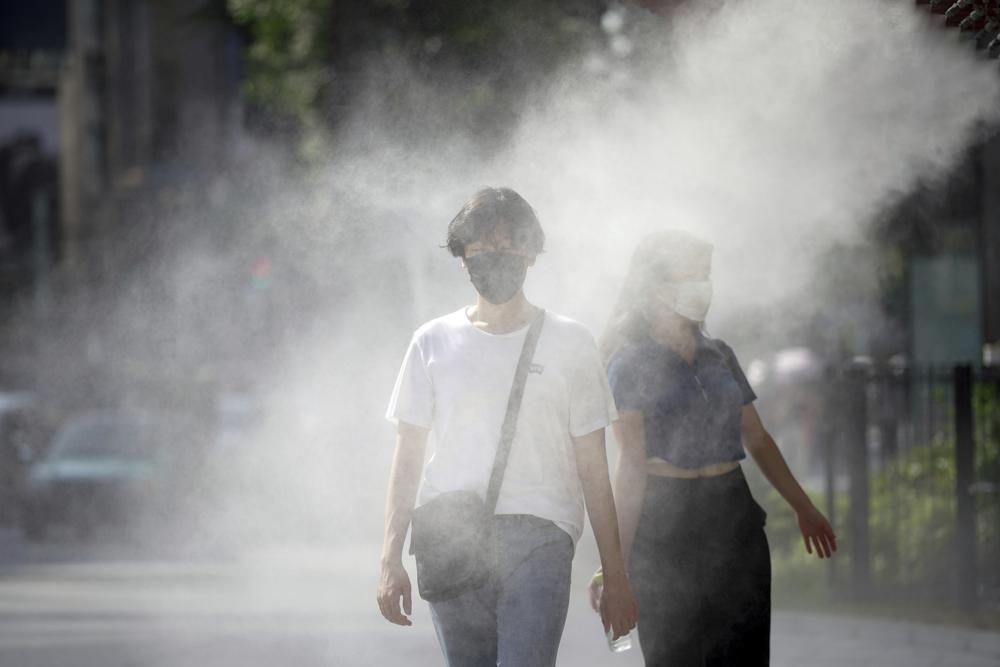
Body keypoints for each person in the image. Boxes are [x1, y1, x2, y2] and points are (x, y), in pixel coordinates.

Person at [378, 187, 638, 667]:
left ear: (531, 255)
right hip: (450, 536)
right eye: (481, 250)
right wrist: (390, 558)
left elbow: (593, 470)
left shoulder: (571, 343)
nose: (494, 259)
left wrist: (616, 574)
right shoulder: (431, 342)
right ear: (462, 258)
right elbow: (408, 456)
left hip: (540, 538)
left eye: (508, 247)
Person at [589, 229, 836, 666]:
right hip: (666, 529)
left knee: (746, 655)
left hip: (733, 517)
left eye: (706, 274)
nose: (704, 286)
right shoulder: (628, 363)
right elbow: (630, 466)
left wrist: (804, 507)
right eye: (692, 275)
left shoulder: (718, 354)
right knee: (676, 656)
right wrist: (615, 567)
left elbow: (757, 438)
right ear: (657, 287)